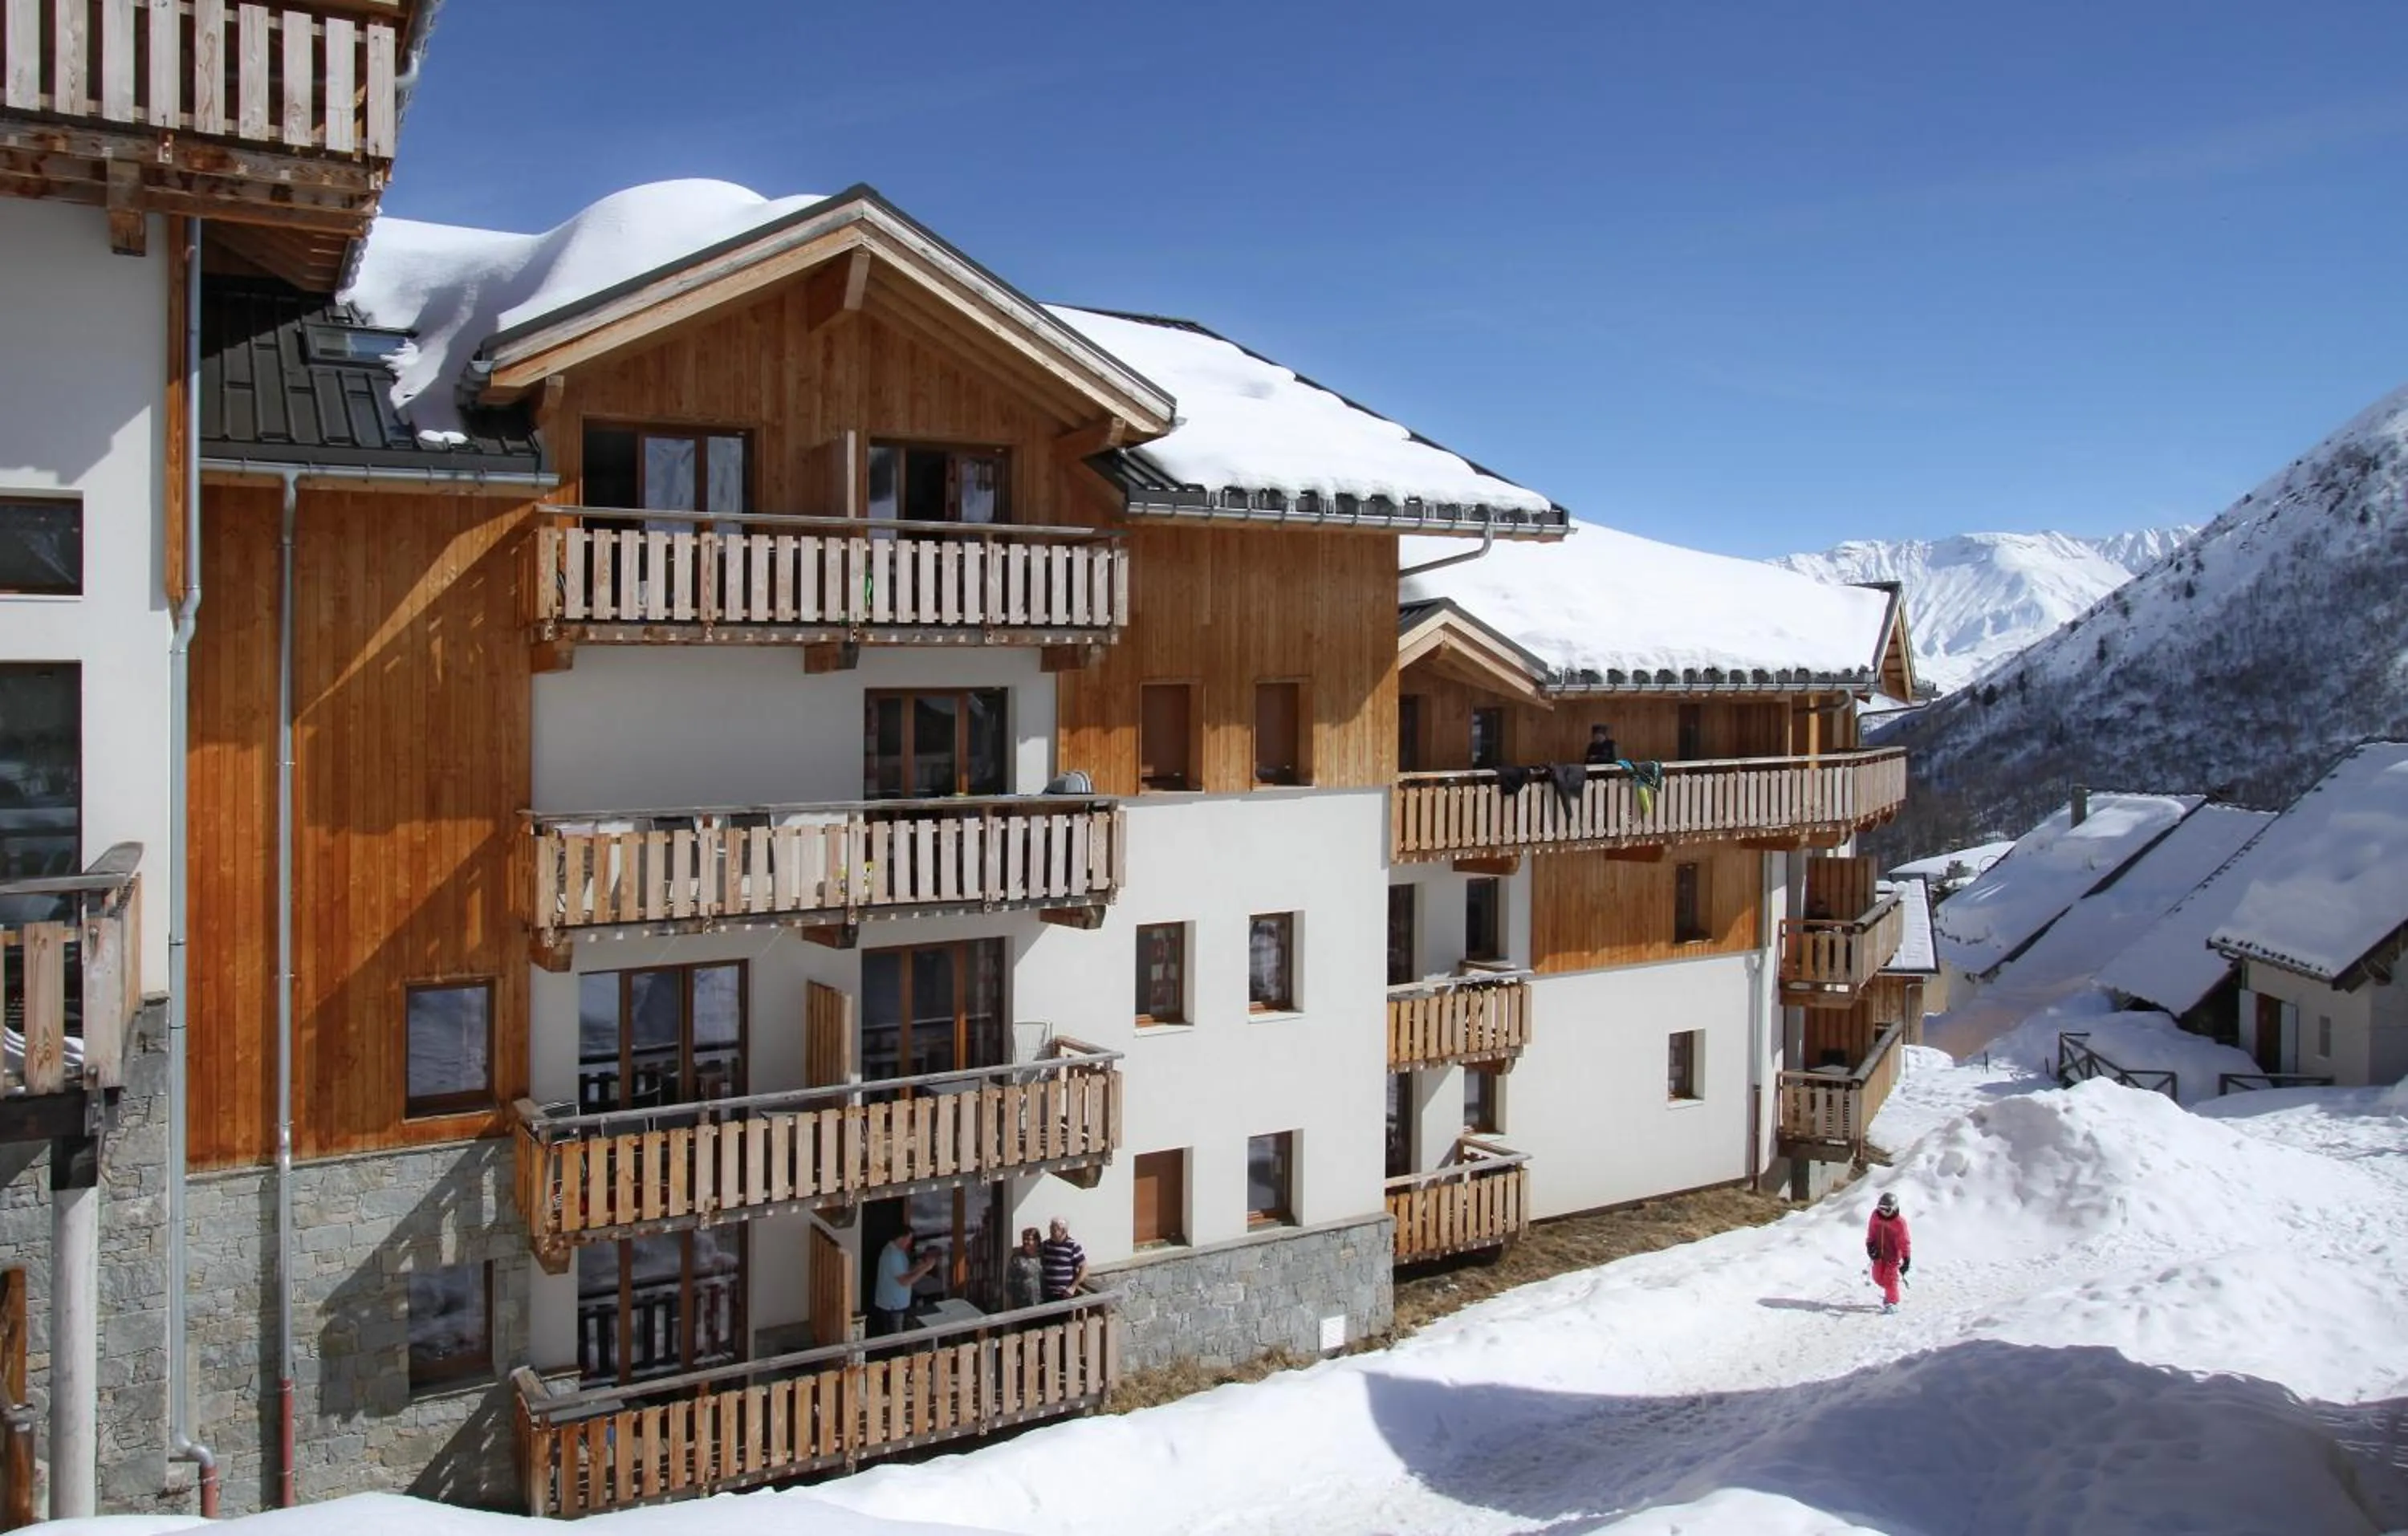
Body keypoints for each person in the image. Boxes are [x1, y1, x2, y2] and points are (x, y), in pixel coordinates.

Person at [872, 1228, 938, 1336]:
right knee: (896, 1341)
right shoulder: (892, 1255)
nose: (910, 1243)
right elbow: (904, 1281)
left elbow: (905, 1271)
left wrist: (920, 1266)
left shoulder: (898, 1251)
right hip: (893, 1307)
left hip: (898, 1305)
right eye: (909, 1239)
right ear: (901, 1238)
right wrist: (925, 1269)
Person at [1865, 1191, 1911, 1314]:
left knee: (1890, 1280)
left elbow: (1904, 1241)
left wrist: (1906, 1258)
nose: (1883, 1212)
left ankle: (1892, 1302)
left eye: (1887, 1209)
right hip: (1878, 1254)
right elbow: (1871, 1232)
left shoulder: (1899, 1223)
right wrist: (1870, 1245)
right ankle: (1890, 1291)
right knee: (1877, 1278)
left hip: (1893, 1256)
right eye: (1880, 1208)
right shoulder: (1875, 1216)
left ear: (1894, 1208)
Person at [1038, 1217, 1087, 1302]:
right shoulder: (1046, 1245)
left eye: (1054, 1229)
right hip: (1048, 1294)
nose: (1051, 1232)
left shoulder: (1073, 1246)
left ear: (1063, 1231)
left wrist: (1073, 1287)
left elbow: (1084, 1268)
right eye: (1050, 1228)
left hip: (1065, 1294)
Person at [1005, 1226, 1044, 1310]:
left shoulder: (1044, 1257)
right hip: (1022, 1304)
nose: (1025, 1242)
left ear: (1036, 1241)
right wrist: (1009, 1307)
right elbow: (1009, 1284)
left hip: (1042, 1303)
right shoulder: (1017, 1259)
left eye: (1029, 1239)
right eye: (1024, 1239)